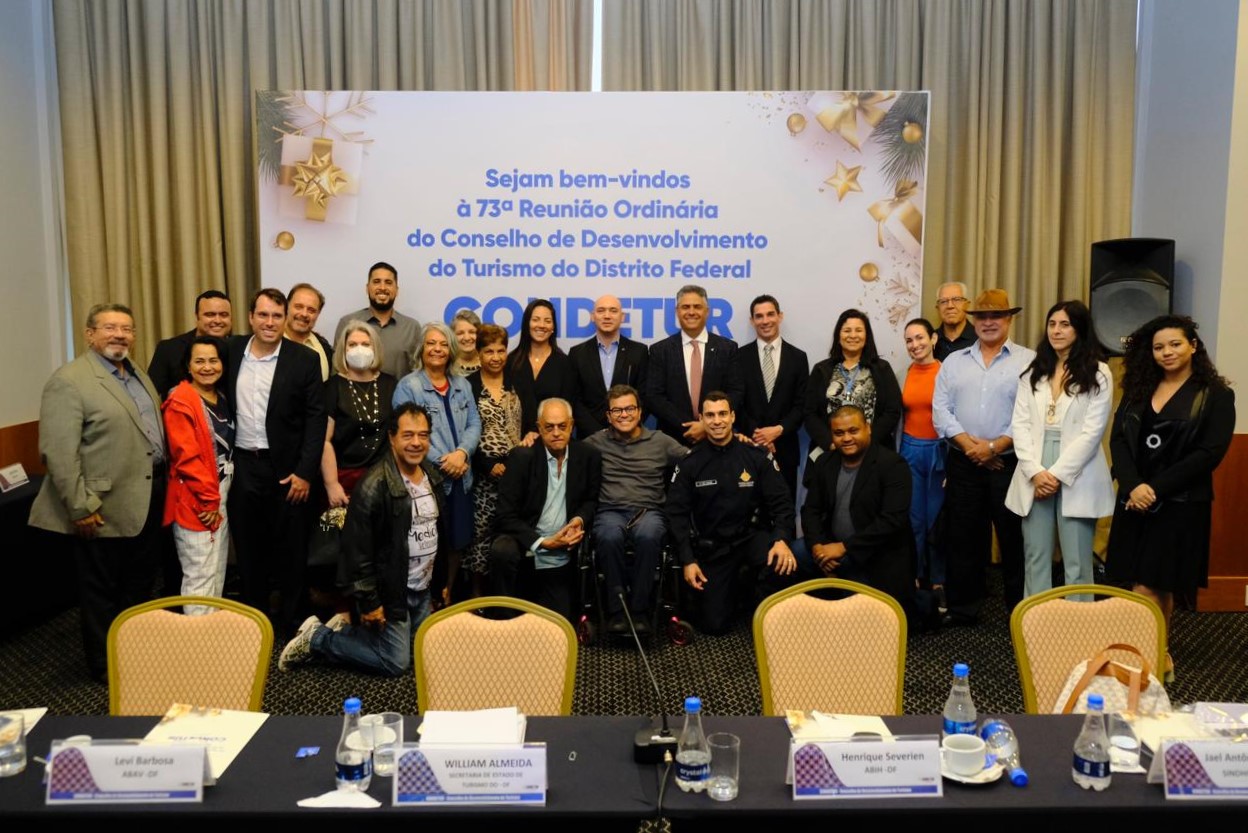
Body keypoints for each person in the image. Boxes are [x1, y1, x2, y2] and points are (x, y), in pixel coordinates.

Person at [29, 303, 166, 681]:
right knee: (102, 590)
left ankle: (134, 654)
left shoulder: (136, 373)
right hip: (101, 506)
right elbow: (58, 452)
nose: (119, 335)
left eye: (126, 329)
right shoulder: (69, 381)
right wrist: (80, 507)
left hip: (147, 496)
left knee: (138, 585)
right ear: (89, 334)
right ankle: (107, 667)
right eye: (109, 327)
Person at [1106, 315, 1234, 680]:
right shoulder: (1139, 388)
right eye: (1159, 347)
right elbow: (1119, 439)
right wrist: (1133, 485)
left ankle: (1147, 653)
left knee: (1153, 582)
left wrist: (1155, 488)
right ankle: (1157, 650)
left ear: (1193, 346)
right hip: (1134, 500)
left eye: (1175, 344)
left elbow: (1209, 453)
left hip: (1180, 503)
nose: (1167, 352)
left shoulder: (1216, 394)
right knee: (1142, 580)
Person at [278, 403, 445, 676]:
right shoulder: (373, 485)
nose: (416, 442)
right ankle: (318, 638)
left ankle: (347, 632)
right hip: (392, 592)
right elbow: (357, 552)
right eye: (408, 435)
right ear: (392, 438)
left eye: (423, 435)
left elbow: (439, 535)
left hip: (421, 588)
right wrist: (370, 603)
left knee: (423, 653)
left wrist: (438, 586)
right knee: (396, 662)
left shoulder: (432, 477)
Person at [226, 288, 327, 637]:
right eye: (263, 315)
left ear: (285, 320)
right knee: (248, 548)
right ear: (251, 317)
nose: (269, 322)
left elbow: (316, 421)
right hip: (243, 467)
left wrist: (304, 473)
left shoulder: (304, 359)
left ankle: (293, 623)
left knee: (291, 550)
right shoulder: (230, 351)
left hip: (287, 471)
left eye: (276, 316)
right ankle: (254, 622)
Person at [932, 288, 1035, 624]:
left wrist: (994, 447)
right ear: (974, 321)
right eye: (983, 317)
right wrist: (972, 448)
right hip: (963, 463)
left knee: (1013, 538)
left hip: (1009, 464)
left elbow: (1031, 415)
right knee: (963, 536)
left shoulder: (1029, 361)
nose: (989, 322)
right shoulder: (954, 361)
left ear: (1009, 320)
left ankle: (1019, 611)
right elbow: (941, 412)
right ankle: (964, 608)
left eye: (997, 316)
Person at [1005, 300, 1115, 600]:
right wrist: (1035, 472)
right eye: (1052, 324)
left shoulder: (1099, 372)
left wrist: (1055, 475)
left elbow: (1092, 432)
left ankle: (1077, 625)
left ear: (1079, 329)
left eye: (1065, 325)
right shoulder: (1033, 371)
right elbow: (1020, 424)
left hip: (1076, 469)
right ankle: (1035, 624)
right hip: (1034, 467)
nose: (1056, 330)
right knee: (1035, 558)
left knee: (1077, 563)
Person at [666, 391, 798, 635]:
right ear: (702, 419)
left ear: (733, 416)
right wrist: (688, 560)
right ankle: (737, 592)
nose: (717, 421)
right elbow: (676, 514)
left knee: (782, 562)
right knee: (714, 625)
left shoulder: (755, 455)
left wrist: (781, 539)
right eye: (710, 415)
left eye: (723, 414)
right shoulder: (690, 462)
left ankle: (766, 612)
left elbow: (782, 502)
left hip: (750, 536)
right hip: (714, 546)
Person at [584, 384, 687, 633]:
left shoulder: (660, 441)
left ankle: (640, 611)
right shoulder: (595, 443)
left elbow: (694, 460)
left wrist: (734, 440)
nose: (624, 415)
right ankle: (617, 611)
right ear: (608, 416)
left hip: (648, 511)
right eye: (617, 410)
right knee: (608, 536)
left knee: (649, 536)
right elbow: (565, 451)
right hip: (610, 511)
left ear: (640, 412)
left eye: (630, 408)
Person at [490, 398, 601, 619]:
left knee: (558, 626)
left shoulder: (588, 455)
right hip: (526, 542)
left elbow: (591, 501)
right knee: (502, 550)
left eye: (562, 426)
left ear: (572, 425)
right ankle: (502, 621)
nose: (556, 433)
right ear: (539, 428)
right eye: (549, 427)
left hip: (563, 551)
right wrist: (542, 542)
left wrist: (578, 520)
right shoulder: (522, 457)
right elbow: (504, 516)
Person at [393, 321, 481, 603]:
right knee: (429, 540)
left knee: (456, 542)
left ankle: (447, 594)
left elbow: (474, 423)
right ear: (422, 349)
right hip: (427, 480)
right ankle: (425, 598)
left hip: (461, 476)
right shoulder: (409, 386)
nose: (437, 349)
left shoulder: (462, 385)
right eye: (431, 343)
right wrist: (445, 462)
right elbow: (407, 434)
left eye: (443, 344)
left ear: (451, 350)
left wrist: (462, 454)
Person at [799, 405, 916, 615]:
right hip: (831, 547)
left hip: (876, 554)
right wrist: (817, 547)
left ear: (868, 428)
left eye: (853, 431)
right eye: (839, 433)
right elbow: (811, 510)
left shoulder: (893, 465)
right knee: (790, 556)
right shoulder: (825, 462)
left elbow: (892, 520)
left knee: (860, 621)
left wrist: (844, 547)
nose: (846, 438)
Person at [161, 335, 234, 615]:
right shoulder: (181, 400)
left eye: (213, 360)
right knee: (199, 576)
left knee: (216, 572)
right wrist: (208, 501)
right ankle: (196, 638)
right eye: (199, 361)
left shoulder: (221, 397)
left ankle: (210, 634)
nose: (207, 367)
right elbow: (187, 458)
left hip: (219, 492)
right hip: (196, 499)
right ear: (188, 366)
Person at [465, 324, 525, 598]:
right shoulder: (469, 386)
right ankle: (477, 596)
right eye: (489, 351)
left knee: (510, 534)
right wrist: (487, 465)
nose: (496, 357)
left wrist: (516, 462)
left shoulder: (517, 381)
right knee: (480, 535)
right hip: (482, 473)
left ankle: (510, 597)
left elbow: (530, 423)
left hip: (514, 473)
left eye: (501, 350)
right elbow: (465, 431)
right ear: (478, 353)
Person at [645, 285, 744, 446]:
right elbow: (654, 396)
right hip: (672, 440)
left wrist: (706, 424)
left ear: (707, 311)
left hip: (717, 439)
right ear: (677, 312)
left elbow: (736, 391)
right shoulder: (660, 350)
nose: (691, 312)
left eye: (697, 307)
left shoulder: (727, 349)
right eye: (685, 307)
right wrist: (689, 427)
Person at [734, 294, 809, 499]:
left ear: (780, 316)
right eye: (759, 316)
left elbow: (802, 404)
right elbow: (736, 403)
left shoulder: (798, 357)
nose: (765, 321)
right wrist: (759, 435)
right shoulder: (739, 357)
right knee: (747, 511)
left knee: (784, 509)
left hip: (785, 450)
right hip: (748, 448)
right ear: (752, 321)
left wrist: (778, 430)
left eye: (770, 314)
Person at [805, 308, 902, 464]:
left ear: (866, 336)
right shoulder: (821, 370)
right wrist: (831, 443)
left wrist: (866, 441)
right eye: (847, 330)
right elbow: (809, 413)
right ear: (838, 336)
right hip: (831, 452)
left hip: (872, 451)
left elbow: (892, 410)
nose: (853, 335)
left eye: (858, 330)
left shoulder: (882, 369)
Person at [322, 321, 398, 509]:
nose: (359, 349)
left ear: (375, 348)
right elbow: (325, 441)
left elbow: (397, 435)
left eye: (365, 344)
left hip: (385, 477)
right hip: (345, 479)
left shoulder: (390, 384)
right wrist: (331, 484)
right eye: (352, 344)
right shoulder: (332, 387)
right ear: (343, 349)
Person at [897, 318, 946, 601]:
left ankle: (939, 581)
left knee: (935, 521)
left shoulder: (947, 372)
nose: (915, 345)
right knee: (913, 520)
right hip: (909, 451)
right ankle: (913, 578)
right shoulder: (902, 374)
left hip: (939, 453)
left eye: (920, 338)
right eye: (909, 340)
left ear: (933, 339)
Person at [568, 294, 649, 438]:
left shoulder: (639, 352)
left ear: (622, 317)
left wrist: (626, 427)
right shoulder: (577, 353)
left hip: (629, 436)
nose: (607, 316)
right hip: (589, 437)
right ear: (593, 317)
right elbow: (574, 399)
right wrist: (596, 433)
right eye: (601, 311)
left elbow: (645, 396)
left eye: (613, 310)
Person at [333, 261, 422, 378]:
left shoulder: (412, 327)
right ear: (367, 288)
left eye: (388, 282)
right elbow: (337, 367)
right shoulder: (347, 323)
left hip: (399, 390)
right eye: (376, 282)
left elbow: (418, 372)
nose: (382, 287)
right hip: (354, 390)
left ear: (396, 290)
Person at [507, 298, 577, 440]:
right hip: (514, 440)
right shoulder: (511, 361)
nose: (541, 325)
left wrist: (539, 433)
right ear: (527, 323)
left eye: (547, 321)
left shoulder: (564, 363)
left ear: (553, 327)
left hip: (553, 438)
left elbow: (568, 407)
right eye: (536, 320)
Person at [147, 290, 232, 398]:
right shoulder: (168, 349)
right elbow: (149, 395)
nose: (217, 320)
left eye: (224, 315)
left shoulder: (238, 348)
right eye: (210, 315)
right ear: (197, 317)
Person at [284, 282, 333, 381]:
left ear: (318, 314)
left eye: (311, 310)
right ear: (286, 307)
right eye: (298, 307)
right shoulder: (270, 344)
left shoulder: (324, 347)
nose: (304, 314)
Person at [933, 281, 976, 361]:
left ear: (967, 305)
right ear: (937, 308)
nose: (950, 306)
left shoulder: (980, 339)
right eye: (944, 301)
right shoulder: (929, 341)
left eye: (957, 300)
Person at [450, 308, 483, 376]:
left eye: (472, 332)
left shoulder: (489, 362)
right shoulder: (446, 365)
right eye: (460, 333)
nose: (467, 338)